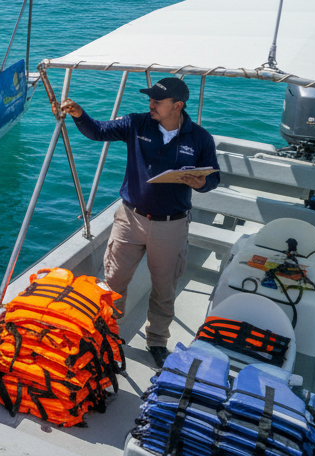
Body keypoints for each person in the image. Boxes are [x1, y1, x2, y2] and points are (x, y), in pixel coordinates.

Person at [60, 77, 220, 368]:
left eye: (157, 101)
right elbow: (97, 131)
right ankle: (108, 337)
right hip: (130, 219)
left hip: (171, 225)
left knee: (164, 288)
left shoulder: (200, 138)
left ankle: (156, 341)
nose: (151, 104)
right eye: (150, 99)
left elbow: (214, 178)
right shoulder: (136, 123)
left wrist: (201, 183)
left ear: (178, 106)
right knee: (113, 282)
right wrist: (79, 114)